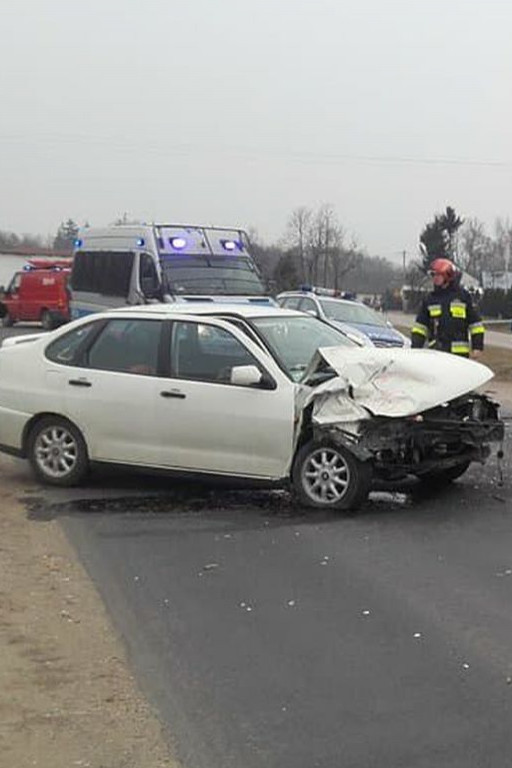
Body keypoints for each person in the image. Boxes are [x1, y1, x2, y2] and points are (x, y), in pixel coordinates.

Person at [411, 258, 484, 358]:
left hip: (459, 356)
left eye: (438, 275)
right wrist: (415, 349)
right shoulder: (429, 300)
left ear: (447, 276)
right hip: (436, 354)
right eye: (433, 275)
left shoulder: (463, 297)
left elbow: (476, 325)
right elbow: (420, 327)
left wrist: (477, 347)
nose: (434, 278)